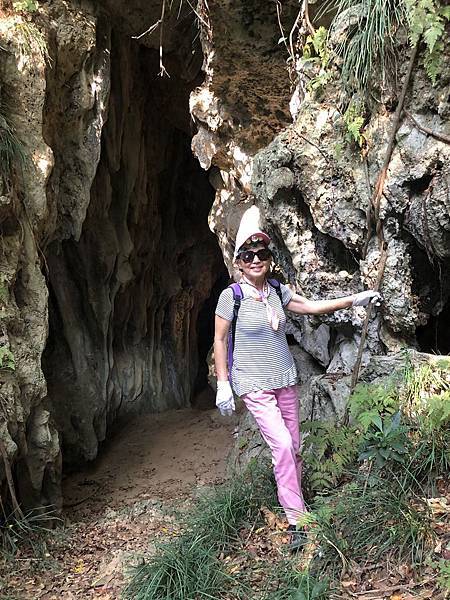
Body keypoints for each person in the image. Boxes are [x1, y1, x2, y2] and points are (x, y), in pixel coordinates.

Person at [213, 206, 381, 548]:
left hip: (284, 380)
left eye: (261, 253)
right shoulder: (232, 297)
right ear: (239, 262)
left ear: (268, 258)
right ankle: (297, 521)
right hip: (253, 384)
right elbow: (218, 339)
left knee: (295, 449)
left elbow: (312, 307)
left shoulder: (277, 291)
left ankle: (295, 503)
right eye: (248, 254)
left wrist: (354, 300)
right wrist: (223, 383)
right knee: (284, 445)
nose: (256, 259)